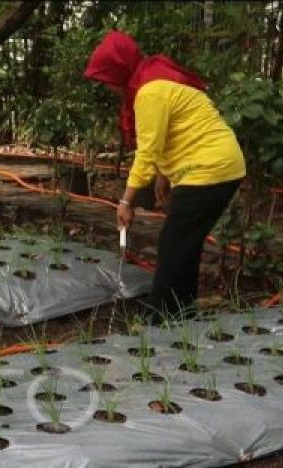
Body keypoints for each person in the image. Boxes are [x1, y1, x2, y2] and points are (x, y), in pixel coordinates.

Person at [84, 30, 246, 320]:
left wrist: (126, 201)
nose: (107, 87)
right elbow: (168, 137)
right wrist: (163, 175)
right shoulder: (155, 79)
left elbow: (146, 152)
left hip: (209, 169)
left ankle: (158, 319)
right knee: (185, 242)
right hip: (219, 165)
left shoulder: (149, 93)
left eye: (105, 79)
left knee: (173, 244)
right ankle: (182, 311)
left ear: (118, 70)